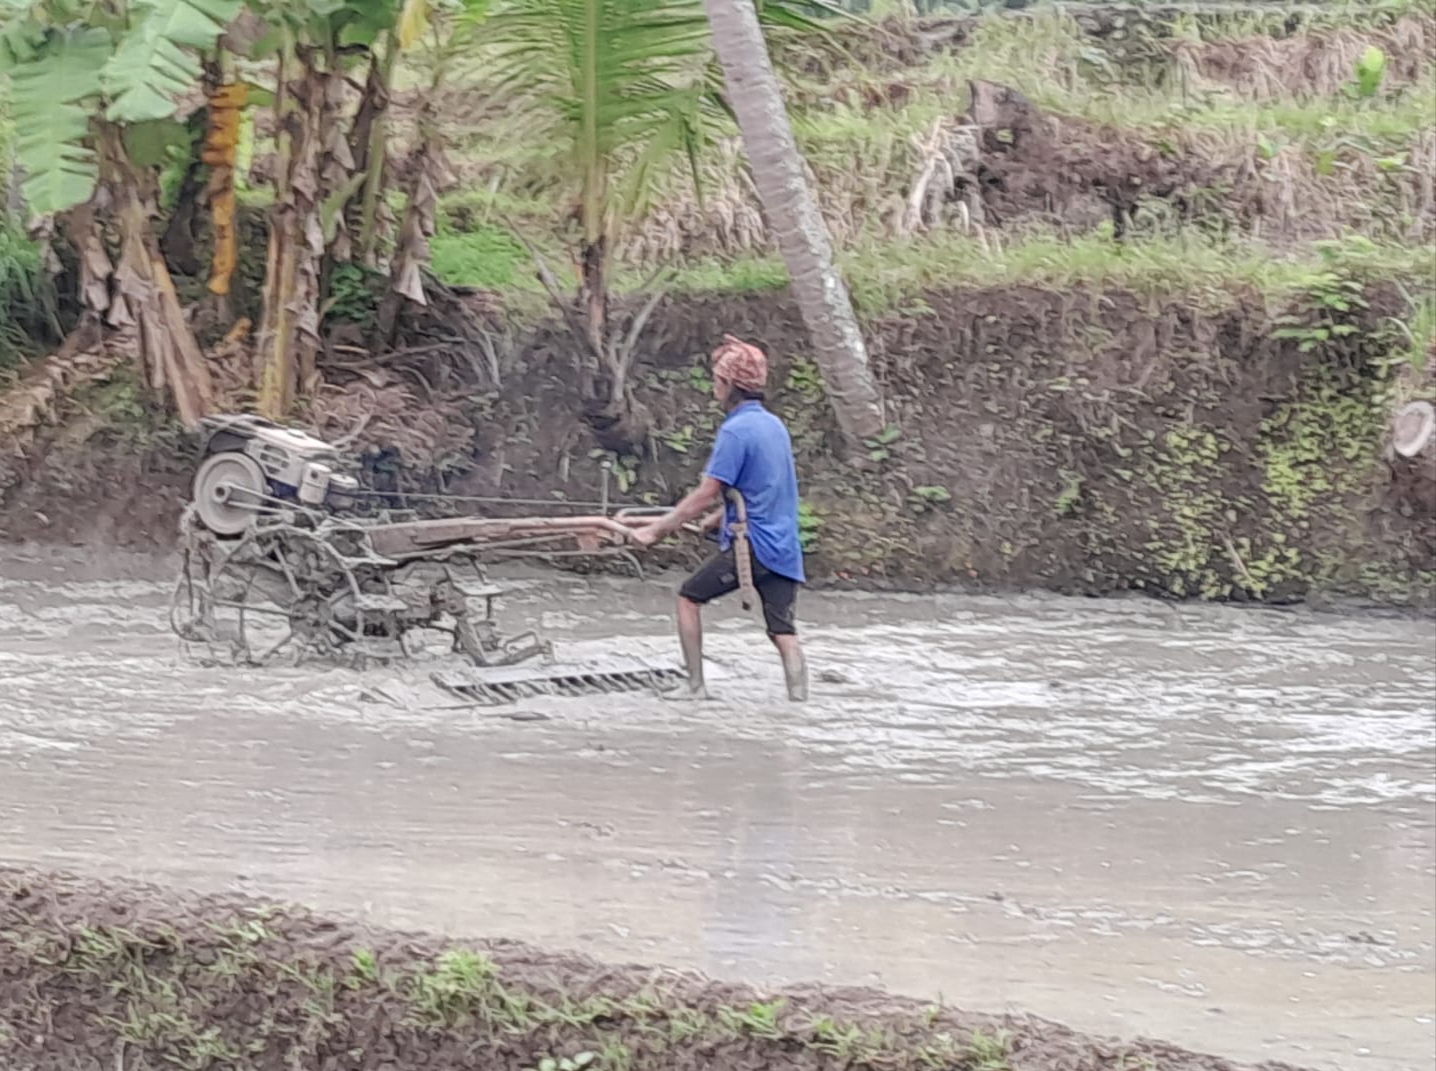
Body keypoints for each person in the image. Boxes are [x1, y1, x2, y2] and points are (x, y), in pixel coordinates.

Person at [630, 335, 808, 702]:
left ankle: (695, 686)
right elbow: (764, 488)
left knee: (687, 598)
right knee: (783, 632)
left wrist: (657, 529)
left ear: (729, 386)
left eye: (716, 380)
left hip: (753, 545)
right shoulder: (775, 426)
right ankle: (799, 701)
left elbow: (707, 490)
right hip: (784, 545)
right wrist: (719, 517)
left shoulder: (735, 430)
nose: (714, 387)